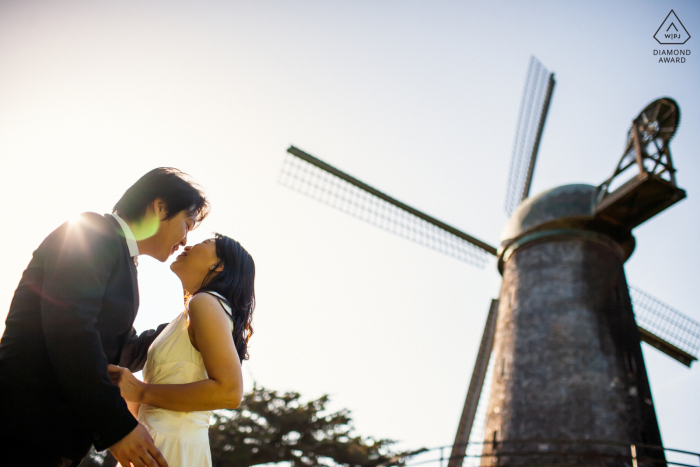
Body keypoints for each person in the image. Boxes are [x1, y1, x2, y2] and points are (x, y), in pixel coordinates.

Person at [0, 168, 209, 467]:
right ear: (160, 206)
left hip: (51, 441)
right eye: (187, 224)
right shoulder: (90, 231)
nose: (185, 240)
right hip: (21, 431)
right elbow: (70, 328)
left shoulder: (121, 256)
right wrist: (118, 427)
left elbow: (122, 349)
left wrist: (188, 325)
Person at [107, 233, 256, 467]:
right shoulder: (191, 314)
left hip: (171, 446)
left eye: (204, 243)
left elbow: (230, 392)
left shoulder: (205, 302)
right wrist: (132, 398)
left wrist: (142, 392)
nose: (188, 244)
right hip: (157, 444)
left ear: (218, 266)